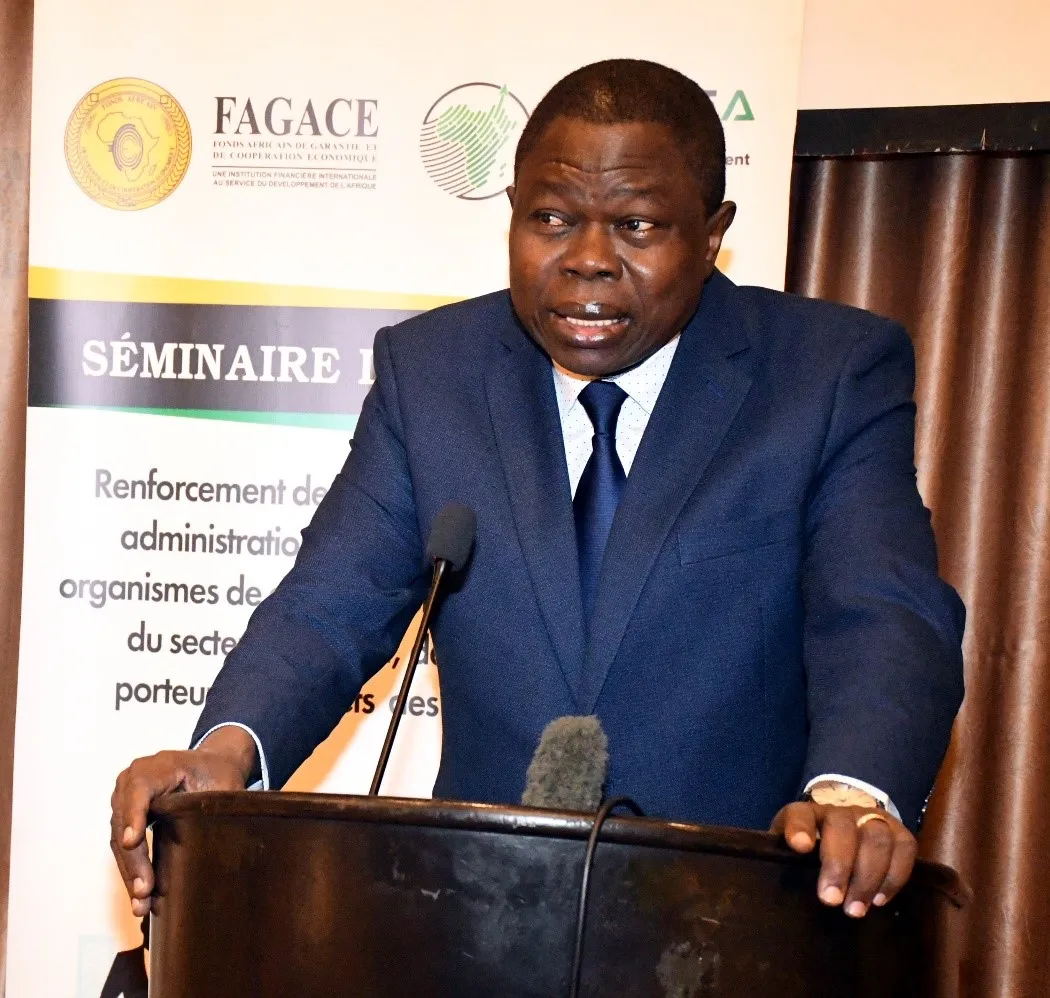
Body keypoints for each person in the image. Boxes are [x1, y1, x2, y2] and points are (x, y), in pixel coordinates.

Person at [111, 59, 965, 924]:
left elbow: (881, 610)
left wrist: (854, 793)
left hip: (735, 924)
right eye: (551, 219)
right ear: (514, 210)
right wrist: (227, 751)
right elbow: (330, 605)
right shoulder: (433, 373)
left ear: (712, 235)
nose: (588, 260)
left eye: (636, 225)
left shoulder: (826, 376)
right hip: (477, 921)